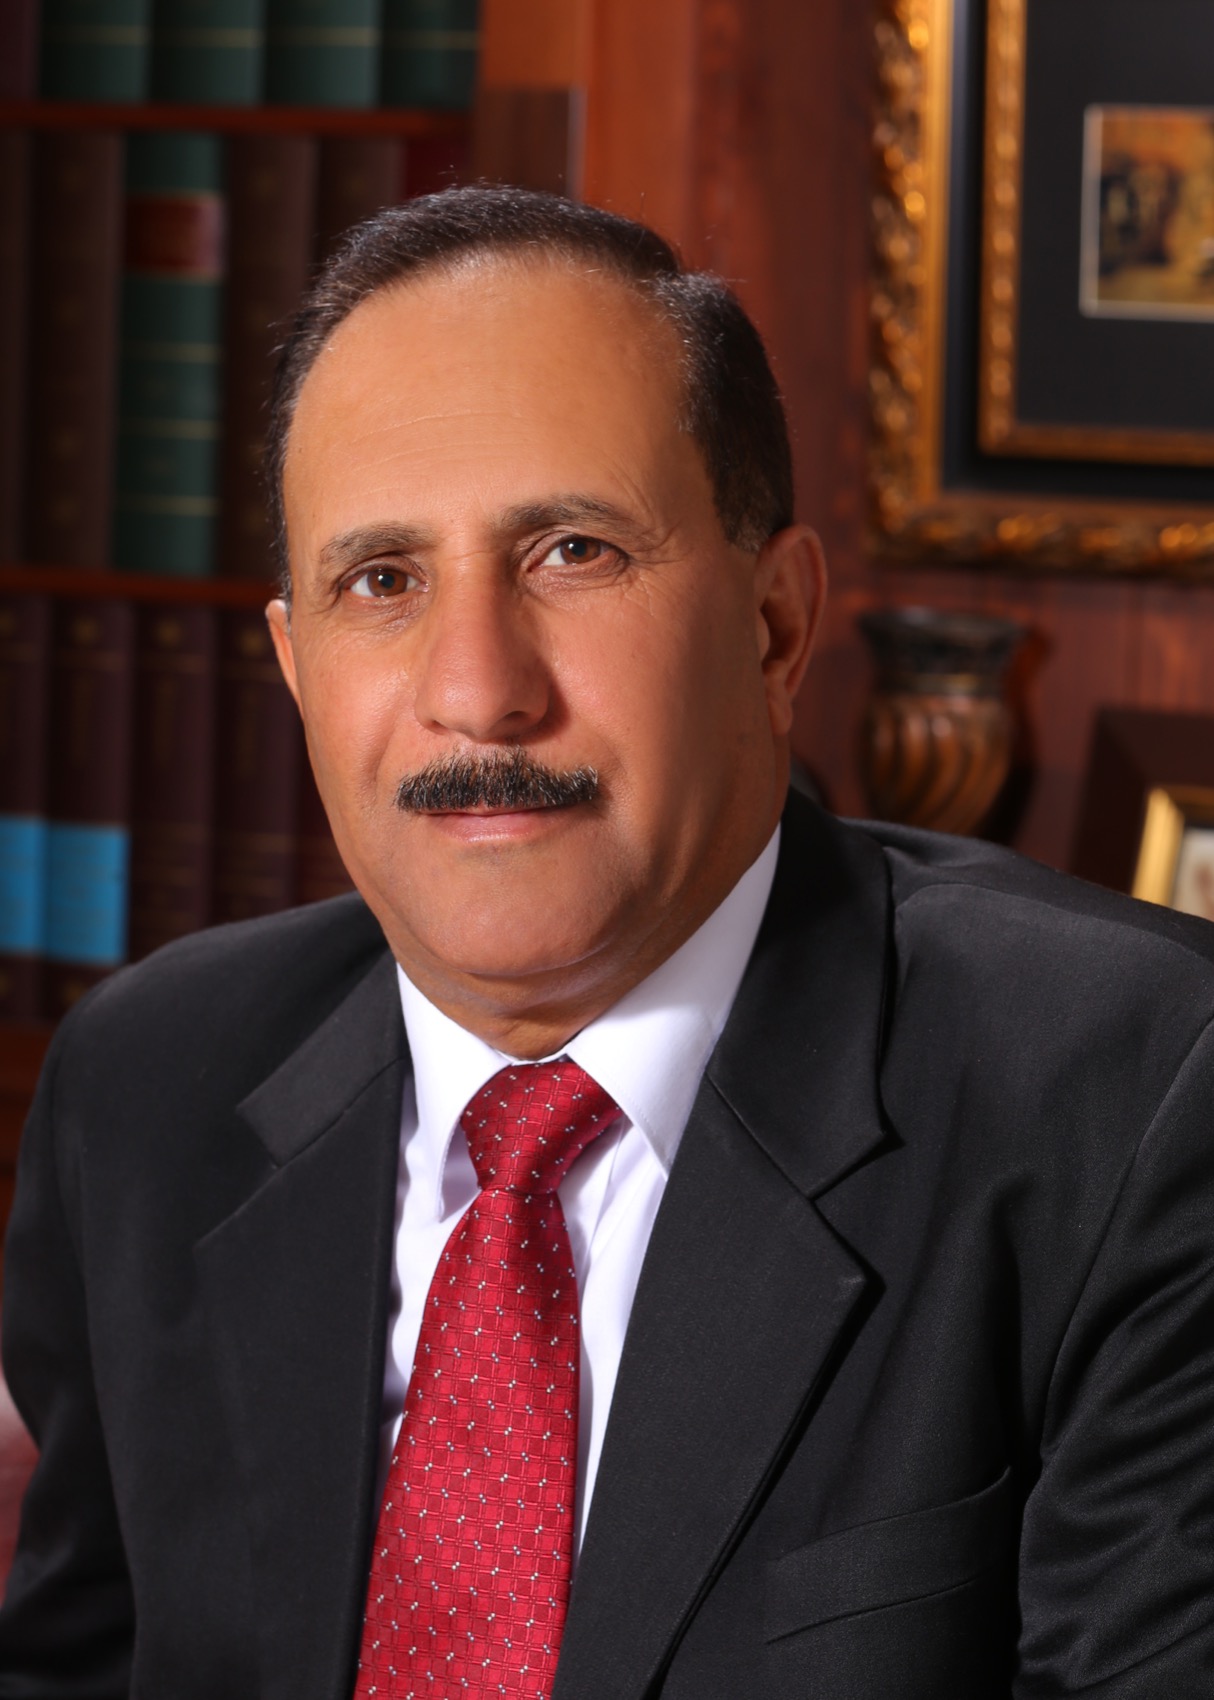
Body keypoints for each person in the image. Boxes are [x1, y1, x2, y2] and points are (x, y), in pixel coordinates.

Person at [1, 187, 1214, 1700]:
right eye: (382, 581)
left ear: (773, 626)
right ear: (296, 668)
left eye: (571, 551)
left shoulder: (1140, 1094)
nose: (476, 691)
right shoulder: (147, 1087)